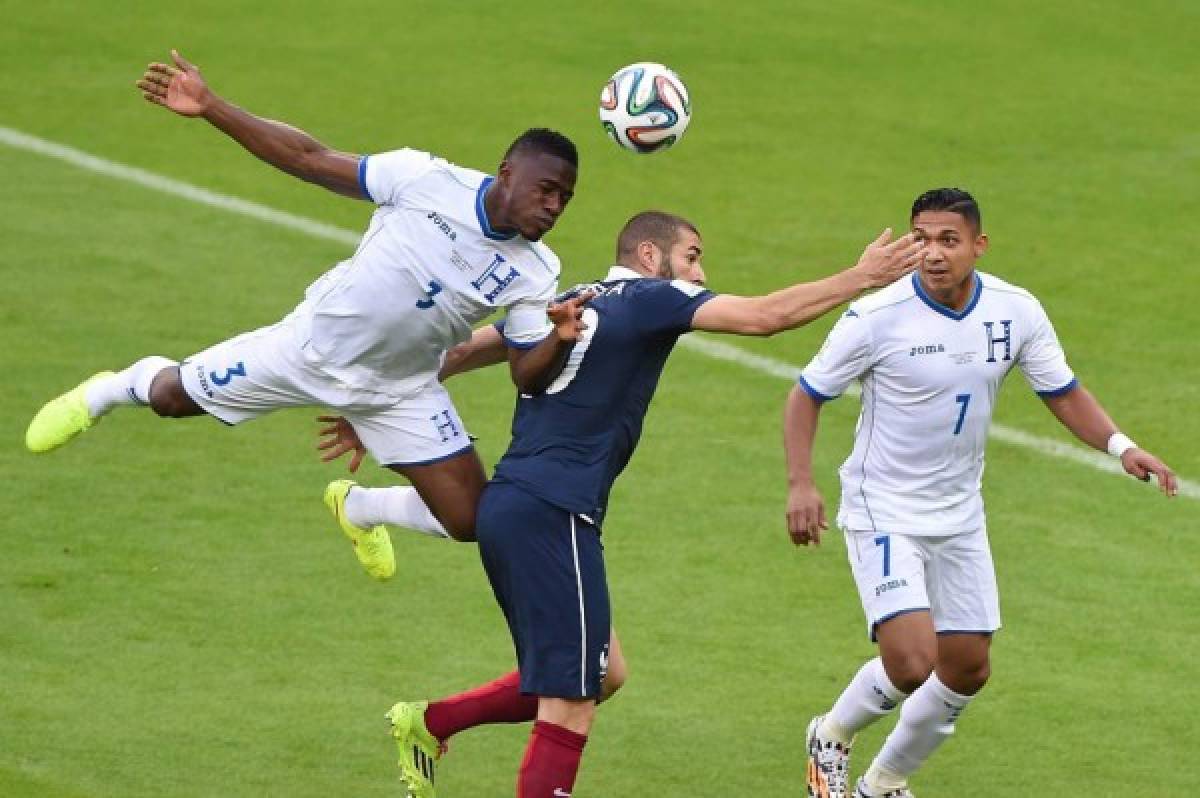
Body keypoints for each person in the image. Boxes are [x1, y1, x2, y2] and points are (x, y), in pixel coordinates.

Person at [321, 210, 924, 797]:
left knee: (602, 673)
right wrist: (859, 276)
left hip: (520, 506)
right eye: (691, 256)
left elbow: (460, 352)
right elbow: (764, 317)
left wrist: (376, 413)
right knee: (572, 705)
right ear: (647, 256)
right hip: (554, 513)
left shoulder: (572, 300)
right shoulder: (650, 300)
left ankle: (432, 723)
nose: (699, 272)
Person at [24, 50, 589, 579]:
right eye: (546, 189)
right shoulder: (425, 180)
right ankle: (108, 390)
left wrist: (559, 339)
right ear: (508, 172)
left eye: (564, 198)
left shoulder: (536, 270)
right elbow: (308, 158)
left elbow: (524, 371)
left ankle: (360, 508)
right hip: (308, 351)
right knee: (171, 399)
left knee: (471, 522)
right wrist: (212, 107)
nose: (554, 206)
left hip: (400, 391)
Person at [784, 188, 1178, 798]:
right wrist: (801, 484)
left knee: (967, 667)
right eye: (921, 239)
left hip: (960, 514)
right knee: (912, 663)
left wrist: (1121, 446)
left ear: (978, 246)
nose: (933, 253)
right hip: (884, 508)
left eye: (948, 240)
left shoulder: (1015, 311)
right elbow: (806, 393)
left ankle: (884, 783)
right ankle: (830, 736)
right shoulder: (875, 318)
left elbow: (1063, 390)